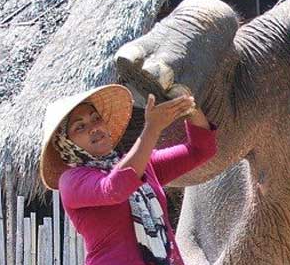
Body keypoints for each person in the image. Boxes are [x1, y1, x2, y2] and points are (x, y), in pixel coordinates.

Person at [39, 84, 218, 265]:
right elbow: (114, 188)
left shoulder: (143, 164)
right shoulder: (71, 181)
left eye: (96, 119)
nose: (93, 128)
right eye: (80, 127)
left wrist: (190, 108)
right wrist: (152, 128)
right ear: (66, 143)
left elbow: (201, 150)